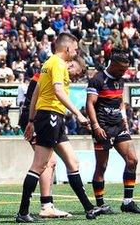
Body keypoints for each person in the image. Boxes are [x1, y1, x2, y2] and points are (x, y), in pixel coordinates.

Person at [16, 33, 101, 222]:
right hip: (50, 116)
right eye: (76, 48)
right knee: (39, 165)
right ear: (67, 48)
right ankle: (23, 212)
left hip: (52, 117)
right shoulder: (58, 64)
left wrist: (30, 121)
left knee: (73, 162)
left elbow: (36, 93)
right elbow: (58, 90)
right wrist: (78, 114)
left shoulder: (48, 64)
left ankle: (88, 208)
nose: (77, 51)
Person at [18, 57, 87, 219]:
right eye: (76, 73)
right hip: (39, 117)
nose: (73, 78)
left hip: (43, 117)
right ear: (71, 63)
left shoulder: (52, 69)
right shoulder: (53, 69)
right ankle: (45, 206)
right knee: (46, 162)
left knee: (69, 161)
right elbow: (34, 97)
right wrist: (31, 121)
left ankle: (50, 205)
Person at [86, 50, 140, 214]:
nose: (123, 72)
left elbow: (120, 101)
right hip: (102, 128)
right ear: (112, 65)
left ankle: (128, 202)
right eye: (121, 69)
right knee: (102, 166)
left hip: (118, 126)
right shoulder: (97, 80)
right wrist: (96, 126)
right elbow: (90, 104)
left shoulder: (120, 81)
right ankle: (101, 204)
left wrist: (124, 118)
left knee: (132, 160)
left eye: (125, 69)